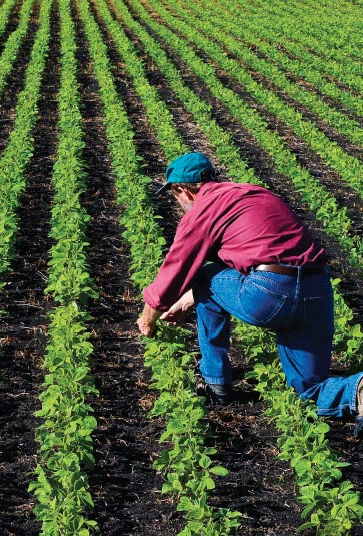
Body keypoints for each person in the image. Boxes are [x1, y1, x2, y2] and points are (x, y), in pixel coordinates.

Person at [136, 152, 363, 434]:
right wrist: (191, 298)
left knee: (204, 274)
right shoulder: (255, 194)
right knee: (309, 389)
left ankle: (215, 381)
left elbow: (175, 271)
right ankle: (360, 391)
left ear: (183, 190)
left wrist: (148, 319)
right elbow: (256, 251)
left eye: (174, 196)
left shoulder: (203, 209)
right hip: (317, 290)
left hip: (270, 294)